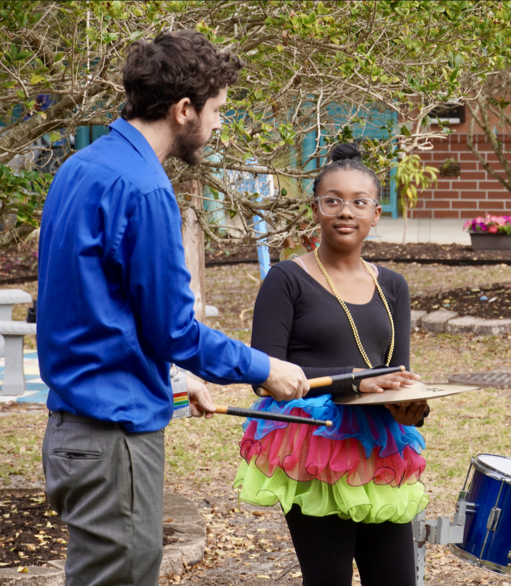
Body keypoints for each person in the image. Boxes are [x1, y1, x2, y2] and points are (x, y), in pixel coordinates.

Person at [37, 31, 309, 586]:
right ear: (184, 110)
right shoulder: (144, 188)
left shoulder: (81, 167)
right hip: (113, 442)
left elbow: (101, 307)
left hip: (72, 431)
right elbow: (175, 329)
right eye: (217, 111)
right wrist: (266, 368)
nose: (218, 125)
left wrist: (176, 377)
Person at [235, 144, 429, 586]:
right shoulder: (286, 279)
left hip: (377, 444)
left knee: (396, 579)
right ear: (315, 209)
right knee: (328, 579)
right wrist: (353, 386)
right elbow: (264, 381)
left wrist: (413, 409)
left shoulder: (393, 287)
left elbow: (397, 375)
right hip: (312, 445)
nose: (346, 211)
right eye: (333, 200)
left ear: (376, 213)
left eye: (359, 202)